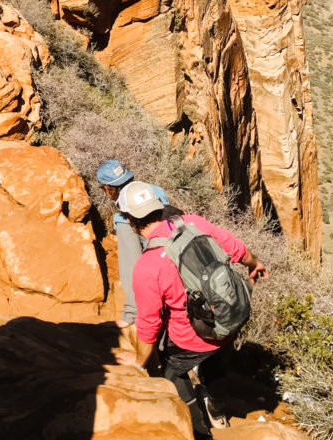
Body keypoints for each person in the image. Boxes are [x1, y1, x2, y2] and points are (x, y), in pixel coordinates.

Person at [115, 182, 268, 439]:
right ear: (158, 207)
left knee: (172, 375)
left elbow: (149, 325)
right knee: (218, 366)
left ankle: (199, 429)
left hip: (190, 340)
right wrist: (255, 264)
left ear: (131, 221)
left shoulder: (147, 266)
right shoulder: (194, 222)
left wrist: (140, 365)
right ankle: (217, 411)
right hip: (226, 320)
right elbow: (235, 248)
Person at [96, 159, 168, 325]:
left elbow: (132, 270)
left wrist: (131, 315)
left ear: (107, 188)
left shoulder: (124, 219)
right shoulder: (154, 190)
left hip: (154, 279)